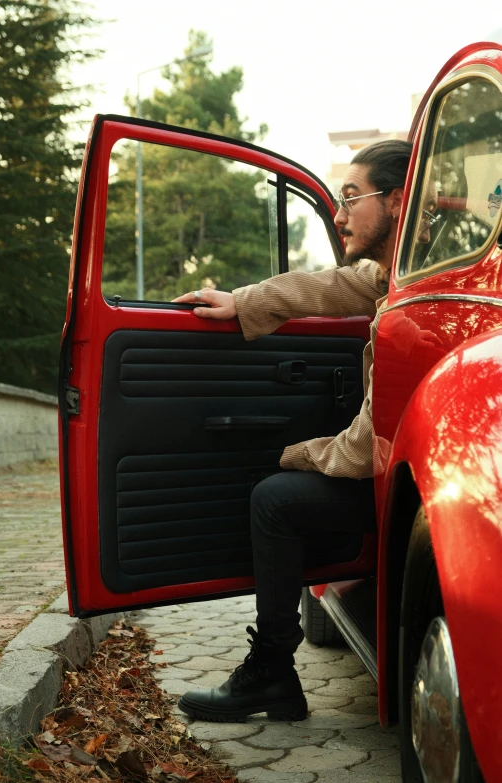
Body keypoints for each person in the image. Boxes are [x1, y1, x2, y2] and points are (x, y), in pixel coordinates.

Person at [172, 139, 413, 722]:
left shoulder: (424, 289)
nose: (339, 213)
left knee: (275, 500)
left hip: (408, 485)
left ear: (399, 202)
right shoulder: (397, 274)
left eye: (351, 198)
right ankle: (275, 672)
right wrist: (243, 301)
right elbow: (325, 285)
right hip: (402, 480)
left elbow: (365, 443)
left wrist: (300, 454)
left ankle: (273, 672)